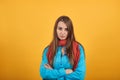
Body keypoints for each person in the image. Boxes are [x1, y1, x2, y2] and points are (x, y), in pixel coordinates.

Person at [40, 15, 86, 80]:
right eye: (60, 28)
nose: (62, 32)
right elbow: (43, 73)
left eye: (66, 29)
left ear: (70, 31)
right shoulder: (48, 50)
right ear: (55, 30)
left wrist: (53, 71)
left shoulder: (78, 48)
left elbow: (80, 75)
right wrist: (64, 72)